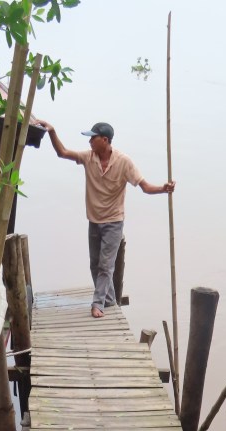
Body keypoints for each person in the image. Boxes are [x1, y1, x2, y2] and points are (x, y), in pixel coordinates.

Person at [35, 120, 175, 318]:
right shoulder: (88, 157)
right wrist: (52, 131)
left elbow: (144, 187)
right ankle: (109, 300)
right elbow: (63, 152)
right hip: (94, 220)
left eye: (93, 138)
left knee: (105, 265)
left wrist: (163, 188)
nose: (90, 141)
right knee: (95, 264)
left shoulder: (124, 162)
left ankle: (98, 304)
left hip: (114, 222)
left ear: (105, 140)